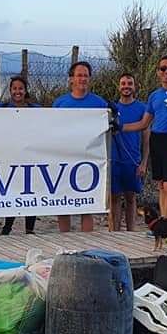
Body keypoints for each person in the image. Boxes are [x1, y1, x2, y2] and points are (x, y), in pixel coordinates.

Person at [121, 55, 167, 243]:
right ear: (158, 72)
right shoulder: (154, 96)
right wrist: (120, 127)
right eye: (163, 69)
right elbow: (144, 123)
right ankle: (163, 228)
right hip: (157, 140)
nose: (166, 72)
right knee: (161, 186)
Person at [53, 61, 108, 233]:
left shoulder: (99, 104)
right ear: (71, 79)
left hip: (90, 160)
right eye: (79, 75)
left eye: (85, 75)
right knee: (64, 203)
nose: (82, 79)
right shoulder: (60, 103)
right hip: (65, 158)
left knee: (87, 204)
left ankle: (87, 242)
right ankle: (65, 240)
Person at [1, 75, 39, 235]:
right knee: (13, 191)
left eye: (21, 88)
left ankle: (29, 229)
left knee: (32, 191)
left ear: (25, 90)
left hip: (31, 156)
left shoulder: (35, 110)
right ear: (10, 90)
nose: (18, 91)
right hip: (10, 157)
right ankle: (7, 227)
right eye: (15, 88)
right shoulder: (2, 110)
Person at [110, 73, 148, 232]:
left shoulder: (142, 108)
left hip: (133, 160)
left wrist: (144, 162)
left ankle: (131, 232)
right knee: (114, 198)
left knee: (131, 198)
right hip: (114, 159)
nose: (126, 86)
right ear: (119, 86)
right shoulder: (111, 109)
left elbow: (147, 138)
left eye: (129, 83)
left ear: (134, 86)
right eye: (123, 83)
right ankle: (114, 232)